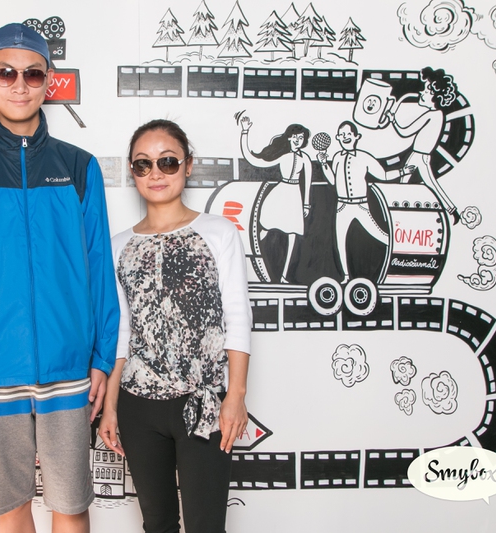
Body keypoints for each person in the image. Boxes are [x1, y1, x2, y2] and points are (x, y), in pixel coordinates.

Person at [0, 23, 118, 533]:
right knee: (10, 504)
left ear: (48, 81)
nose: (19, 85)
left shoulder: (78, 168)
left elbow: (99, 267)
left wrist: (102, 357)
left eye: (32, 74)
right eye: (6, 73)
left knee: (70, 504)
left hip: (68, 365)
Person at [99, 119, 252, 533]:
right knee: (158, 525)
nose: (156, 173)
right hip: (137, 406)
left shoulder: (218, 232)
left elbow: (237, 316)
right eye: (143, 164)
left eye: (167, 162)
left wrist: (235, 396)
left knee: (206, 526)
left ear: (188, 165)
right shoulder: (118, 246)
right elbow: (122, 332)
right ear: (132, 172)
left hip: (204, 402)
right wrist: (110, 406)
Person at [318, 121, 414, 283]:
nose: (345, 137)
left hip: (361, 205)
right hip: (342, 207)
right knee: (340, 241)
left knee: (381, 235)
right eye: (342, 135)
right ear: (338, 138)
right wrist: (323, 164)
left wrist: (402, 171)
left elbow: (383, 176)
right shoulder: (337, 157)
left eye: (349, 134)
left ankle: (403, 258)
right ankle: (346, 277)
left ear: (357, 137)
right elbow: (333, 181)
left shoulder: (364, 157)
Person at [239, 117, 313, 283]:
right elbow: (253, 160)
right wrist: (245, 132)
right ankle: (249, 262)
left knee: (293, 234)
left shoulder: (305, 159)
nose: (298, 140)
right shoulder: (283, 156)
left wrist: (306, 204)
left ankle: (285, 276)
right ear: (289, 138)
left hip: (294, 197)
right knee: (263, 228)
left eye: (301, 138)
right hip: (279, 194)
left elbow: (307, 182)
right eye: (295, 137)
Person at [386, 66, 461, 225]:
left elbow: (405, 131)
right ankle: (450, 210)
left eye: (426, 90)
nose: (421, 92)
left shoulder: (432, 115)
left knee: (415, 185)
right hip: (419, 155)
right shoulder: (438, 115)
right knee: (412, 184)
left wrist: (392, 119)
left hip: (420, 156)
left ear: (435, 96)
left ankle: (401, 215)